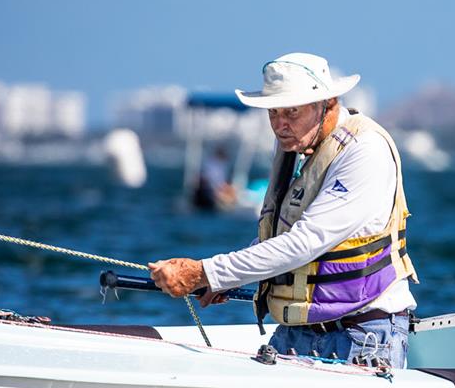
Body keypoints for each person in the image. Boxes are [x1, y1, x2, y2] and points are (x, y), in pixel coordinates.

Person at [149, 53, 418, 369]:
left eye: (292, 111)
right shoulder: (298, 146)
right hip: (297, 333)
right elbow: (278, 238)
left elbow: (305, 242)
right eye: (273, 112)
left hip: (362, 336)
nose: (280, 125)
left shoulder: (365, 151)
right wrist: (226, 279)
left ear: (327, 103)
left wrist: (206, 272)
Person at [193, 146, 238, 210]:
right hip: (208, 191)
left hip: (215, 190)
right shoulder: (211, 164)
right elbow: (205, 179)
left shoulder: (223, 165)